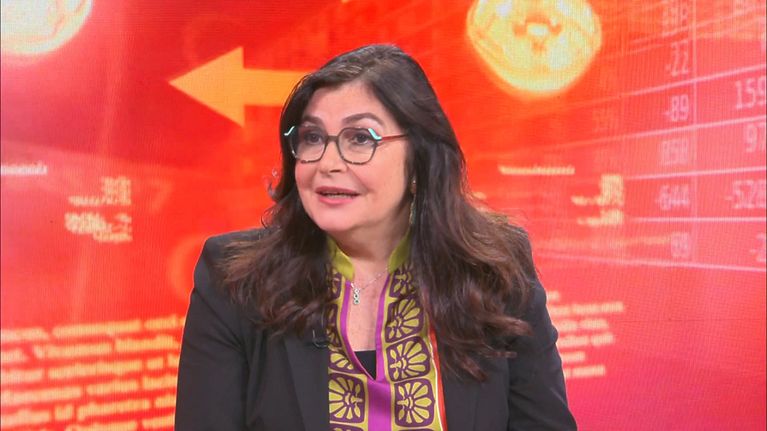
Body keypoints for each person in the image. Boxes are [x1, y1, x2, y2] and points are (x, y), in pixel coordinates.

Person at [175, 44, 576, 431]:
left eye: (361, 138)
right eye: (313, 137)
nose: (328, 163)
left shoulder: (494, 267)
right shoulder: (233, 278)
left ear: (419, 159)